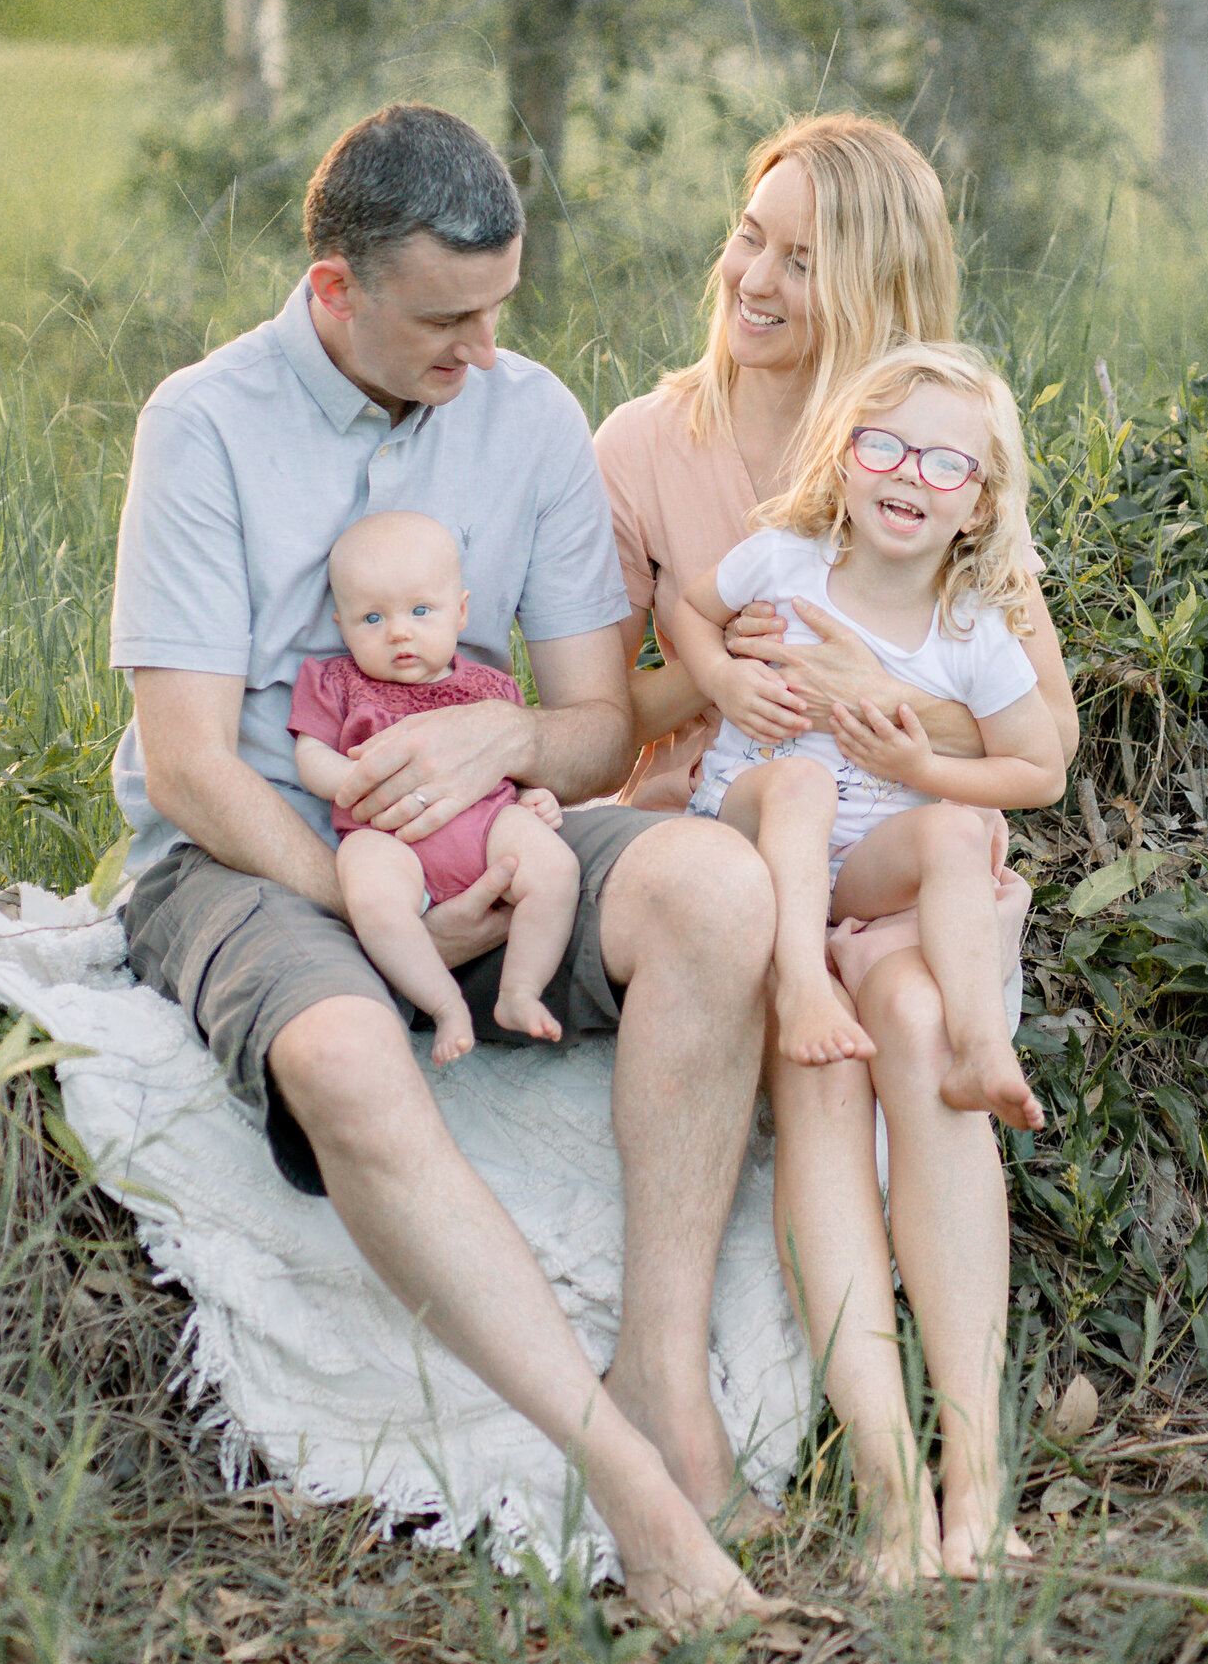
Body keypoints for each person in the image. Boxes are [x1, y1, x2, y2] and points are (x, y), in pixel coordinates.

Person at [110, 102, 779, 1634]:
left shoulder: (527, 413)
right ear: (336, 288)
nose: (481, 349)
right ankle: (630, 1486)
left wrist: (500, 752)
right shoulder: (204, 425)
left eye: (500, 311)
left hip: (494, 833)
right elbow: (200, 761)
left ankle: (663, 1374)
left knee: (718, 887)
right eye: (445, 319)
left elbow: (598, 724)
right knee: (343, 1048)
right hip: (258, 849)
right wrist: (360, 883)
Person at [594, 116, 1082, 1586]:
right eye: (751, 233)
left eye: (802, 257)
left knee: (928, 1016)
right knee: (839, 1044)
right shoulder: (645, 440)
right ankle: (886, 1473)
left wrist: (875, 705)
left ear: (869, 282)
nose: (754, 275)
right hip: (732, 828)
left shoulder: (926, 446)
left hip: (894, 835)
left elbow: (1028, 709)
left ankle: (970, 1474)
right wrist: (719, 675)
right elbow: (597, 705)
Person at [673, 345, 1064, 1131]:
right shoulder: (785, 560)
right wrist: (723, 681)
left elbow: (1041, 771)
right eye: (883, 446)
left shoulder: (973, 631)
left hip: (860, 865)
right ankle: (800, 982)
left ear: (980, 508)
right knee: (803, 783)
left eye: (945, 463)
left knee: (956, 829)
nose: (910, 473)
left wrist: (924, 764)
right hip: (748, 825)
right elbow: (688, 612)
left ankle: (980, 1046)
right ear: (844, 461)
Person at [288, 508, 581, 1062]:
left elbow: (511, 766)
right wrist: (354, 779)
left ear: (461, 612)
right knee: (372, 900)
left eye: (421, 611)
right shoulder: (337, 683)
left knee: (556, 868)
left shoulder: (488, 688)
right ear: (340, 624)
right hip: (385, 834)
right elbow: (310, 755)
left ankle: (519, 989)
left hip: (484, 825)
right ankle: (443, 1003)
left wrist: (531, 797)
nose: (399, 631)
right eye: (371, 619)